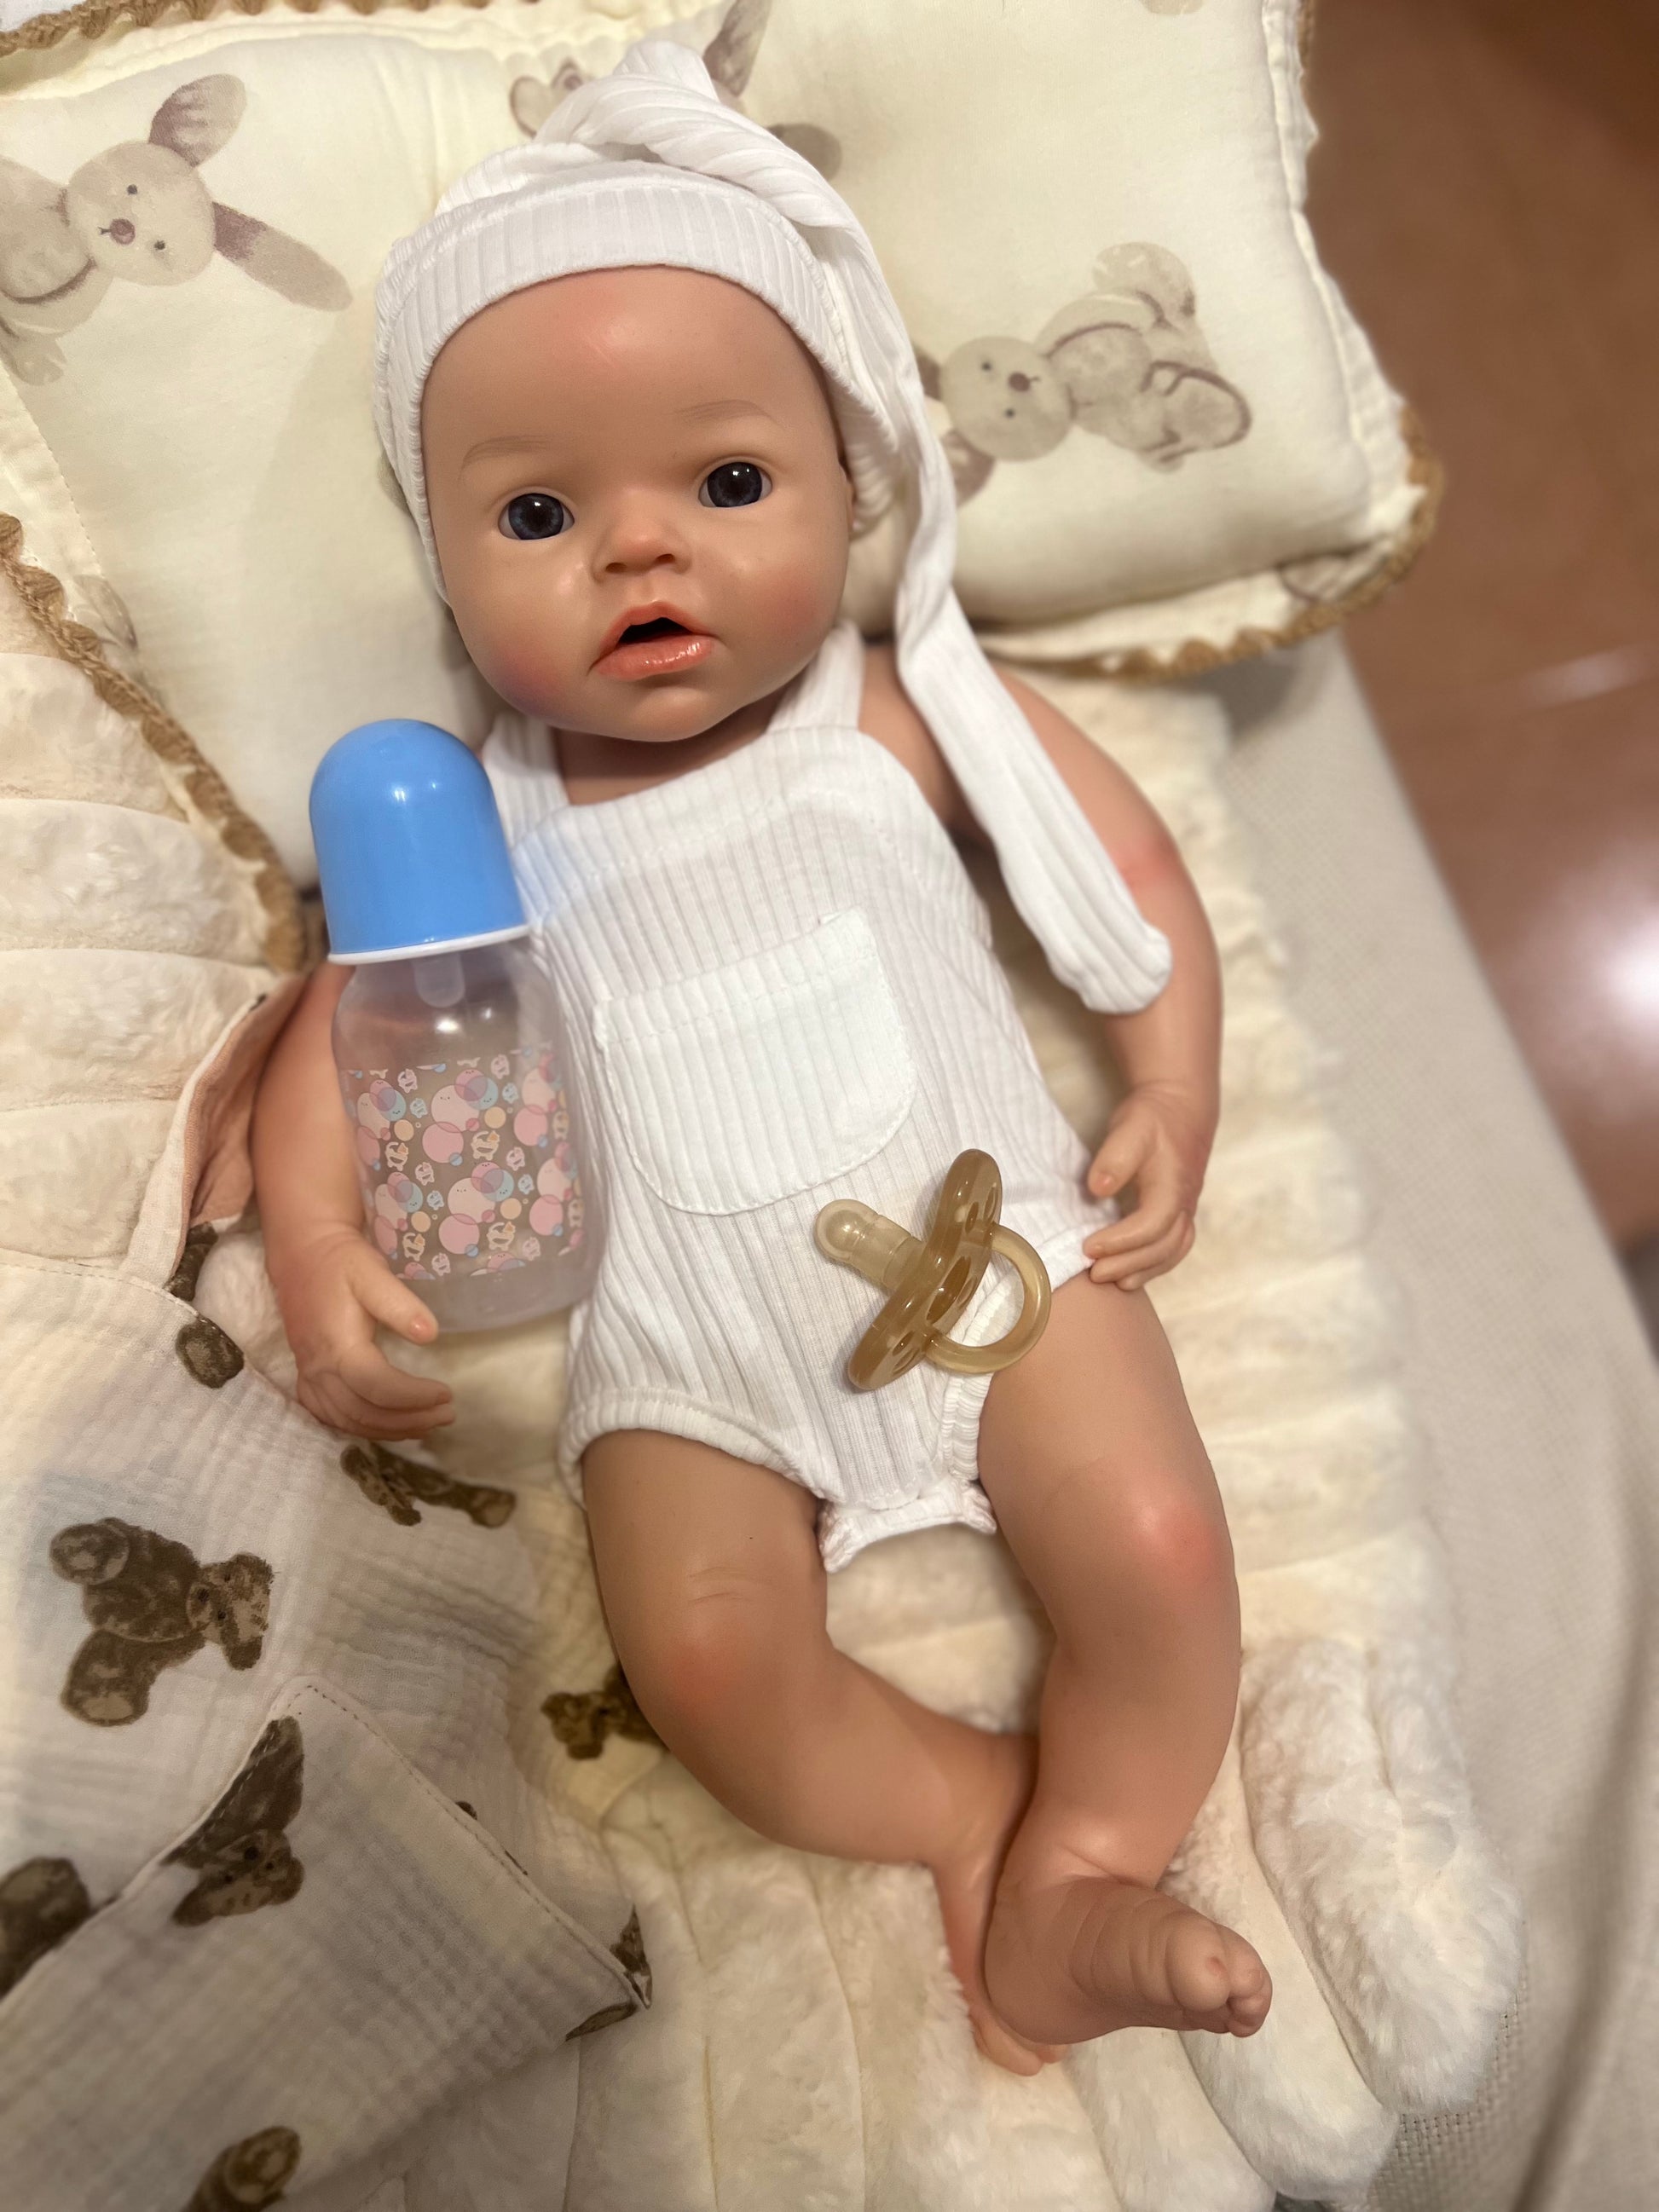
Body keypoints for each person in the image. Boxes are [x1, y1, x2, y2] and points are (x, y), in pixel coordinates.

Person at [251, 41, 1271, 2075]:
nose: (641, 553)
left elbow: (1125, 868)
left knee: (1155, 1547)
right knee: (709, 1667)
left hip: (990, 1255)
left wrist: (1168, 1081)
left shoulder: (884, 710)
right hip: (687, 1343)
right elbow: (348, 1032)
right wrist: (315, 1233)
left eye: (725, 484)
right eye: (539, 511)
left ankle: (1090, 1852)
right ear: (443, 564)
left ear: (848, 480)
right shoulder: (472, 807)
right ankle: (982, 1818)